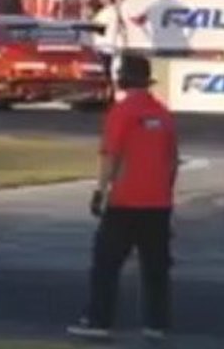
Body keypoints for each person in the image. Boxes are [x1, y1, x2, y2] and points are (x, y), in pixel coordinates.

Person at [67, 53, 179, 342]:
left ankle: (98, 319)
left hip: (126, 201)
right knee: (156, 267)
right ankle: (157, 323)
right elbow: (172, 161)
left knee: (106, 263)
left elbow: (110, 155)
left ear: (123, 79)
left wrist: (99, 191)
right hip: (158, 202)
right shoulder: (162, 114)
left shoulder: (123, 112)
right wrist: (165, 191)